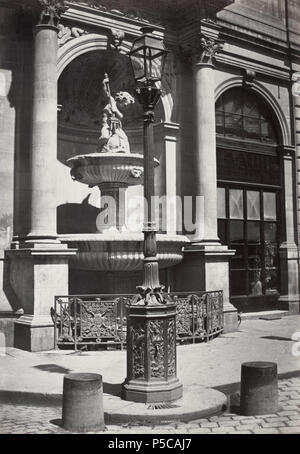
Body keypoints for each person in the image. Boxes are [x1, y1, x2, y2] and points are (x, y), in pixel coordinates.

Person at [98, 73, 134, 153]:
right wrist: (104, 83)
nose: (125, 107)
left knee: (124, 139)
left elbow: (121, 116)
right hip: (107, 126)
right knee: (105, 137)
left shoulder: (118, 110)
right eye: (125, 105)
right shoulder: (111, 101)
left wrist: (115, 110)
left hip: (117, 129)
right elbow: (106, 93)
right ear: (121, 99)